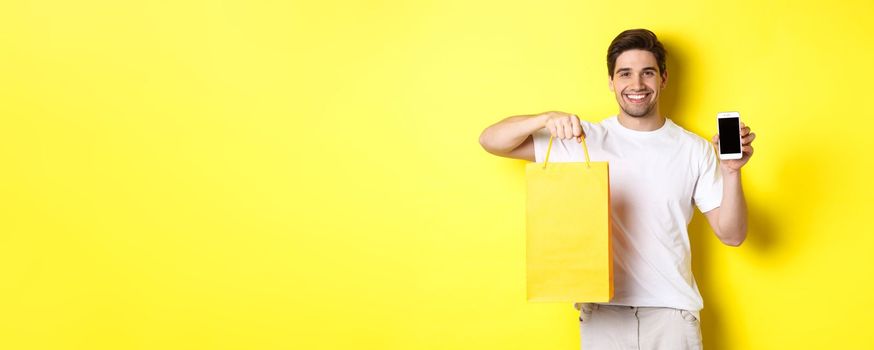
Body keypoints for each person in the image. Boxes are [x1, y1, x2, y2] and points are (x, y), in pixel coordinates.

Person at [478, 29, 755, 350]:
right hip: (602, 313)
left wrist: (731, 172)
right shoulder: (581, 140)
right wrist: (544, 118)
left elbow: (732, 234)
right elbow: (491, 140)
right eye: (625, 74)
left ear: (663, 79)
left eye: (647, 73)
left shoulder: (694, 149)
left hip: (672, 314)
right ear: (611, 81)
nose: (636, 85)